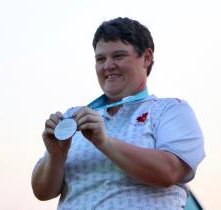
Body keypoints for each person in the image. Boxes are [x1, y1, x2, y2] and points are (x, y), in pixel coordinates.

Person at [31, 17, 205, 210]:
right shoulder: (74, 116)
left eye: (119, 56)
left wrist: (104, 142)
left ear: (146, 58)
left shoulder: (170, 110)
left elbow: (169, 171)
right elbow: (42, 192)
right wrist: (56, 154)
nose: (108, 66)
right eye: (100, 59)